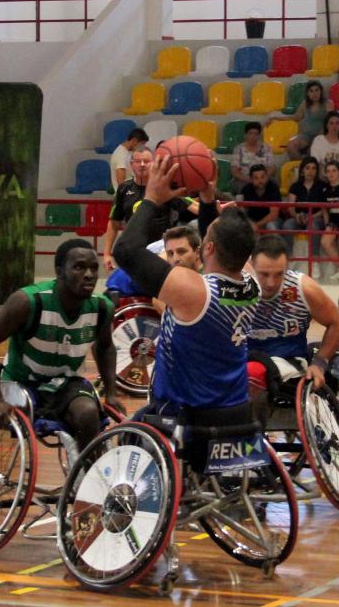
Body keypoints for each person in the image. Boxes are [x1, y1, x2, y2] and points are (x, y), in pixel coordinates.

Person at [112, 156, 261, 416]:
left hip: (185, 412)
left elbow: (125, 251)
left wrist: (150, 200)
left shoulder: (194, 291)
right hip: (234, 408)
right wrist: (207, 198)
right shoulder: (251, 282)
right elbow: (218, 238)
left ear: (207, 248)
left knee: (129, 436)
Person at [0, 239, 120, 452]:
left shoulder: (101, 307)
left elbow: (105, 347)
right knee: (29, 411)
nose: (89, 274)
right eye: (80, 267)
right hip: (21, 382)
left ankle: (86, 477)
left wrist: (111, 392)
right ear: (59, 271)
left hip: (65, 383)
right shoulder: (28, 301)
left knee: (89, 413)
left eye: (93, 268)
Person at [245, 234, 339, 421]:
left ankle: (251, 440)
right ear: (252, 265)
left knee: (253, 372)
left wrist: (320, 363)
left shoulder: (302, 288)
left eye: (278, 274)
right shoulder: (239, 287)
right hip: (246, 355)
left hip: (288, 359)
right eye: (264, 274)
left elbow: (338, 322)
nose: (270, 283)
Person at [103, 145, 195, 271]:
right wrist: (107, 254)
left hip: (161, 250)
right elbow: (114, 223)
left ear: (153, 163)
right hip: (133, 249)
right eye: (137, 161)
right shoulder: (124, 188)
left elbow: (191, 205)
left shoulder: (162, 185)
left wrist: (212, 206)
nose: (142, 165)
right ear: (131, 164)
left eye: (146, 161)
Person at [265, 80, 328, 160]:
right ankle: (301, 166)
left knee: (312, 149)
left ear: (321, 91)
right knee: (290, 146)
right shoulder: (304, 104)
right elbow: (295, 117)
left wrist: (318, 137)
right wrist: (275, 117)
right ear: (308, 94)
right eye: (311, 91)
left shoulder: (327, 104)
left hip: (321, 136)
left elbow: (331, 120)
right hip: (305, 136)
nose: (314, 93)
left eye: (317, 90)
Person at [282, 156, 325, 255]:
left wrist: (311, 217)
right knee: (287, 225)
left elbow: (324, 209)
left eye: (314, 168)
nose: (311, 171)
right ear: (302, 171)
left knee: (313, 225)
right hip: (299, 217)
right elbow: (291, 207)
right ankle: (288, 257)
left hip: (316, 218)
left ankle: (314, 259)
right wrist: (296, 216)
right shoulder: (295, 186)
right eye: (308, 168)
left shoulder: (322, 186)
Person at [230, 121, 275, 191]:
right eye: (250, 133)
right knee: (244, 188)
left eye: (256, 134)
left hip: (263, 179)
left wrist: (263, 179)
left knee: (274, 185)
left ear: (259, 136)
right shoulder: (238, 149)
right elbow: (235, 171)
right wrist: (250, 180)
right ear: (245, 135)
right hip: (244, 180)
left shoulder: (266, 148)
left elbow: (271, 168)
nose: (253, 136)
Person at [240, 164, 282, 232]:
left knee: (271, 225)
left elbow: (273, 215)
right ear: (251, 179)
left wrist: (256, 225)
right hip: (253, 219)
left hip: (272, 220)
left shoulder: (273, 188)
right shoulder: (246, 189)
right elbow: (241, 211)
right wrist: (250, 223)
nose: (260, 181)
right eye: (256, 178)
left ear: (267, 177)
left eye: (263, 177)